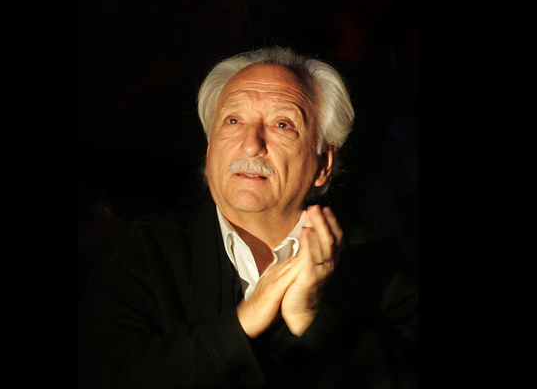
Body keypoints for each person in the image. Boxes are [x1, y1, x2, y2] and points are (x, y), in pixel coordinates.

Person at [78, 47, 418, 388]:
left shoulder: (377, 262)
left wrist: (309, 320)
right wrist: (241, 325)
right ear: (210, 148)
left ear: (323, 164)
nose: (251, 144)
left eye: (282, 124)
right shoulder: (142, 251)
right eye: (233, 121)